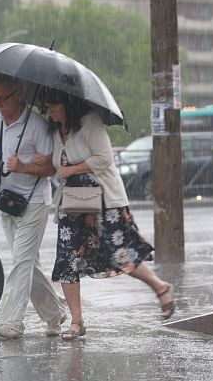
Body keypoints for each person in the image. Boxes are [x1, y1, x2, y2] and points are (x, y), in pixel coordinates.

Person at [36, 87, 174, 340]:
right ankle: (77, 322)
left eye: (53, 106)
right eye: (46, 107)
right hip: (73, 203)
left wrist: (73, 169)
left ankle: (159, 286)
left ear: (67, 103)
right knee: (67, 261)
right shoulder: (55, 130)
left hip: (105, 201)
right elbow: (56, 163)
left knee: (120, 255)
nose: (50, 111)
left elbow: (104, 159)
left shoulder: (90, 123)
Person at [0, 76, 68, 339]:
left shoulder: (37, 126)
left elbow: (52, 167)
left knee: (21, 262)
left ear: (19, 95)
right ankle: (55, 313)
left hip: (34, 202)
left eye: (2, 98)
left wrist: (24, 167)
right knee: (28, 264)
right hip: (6, 203)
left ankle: (12, 323)